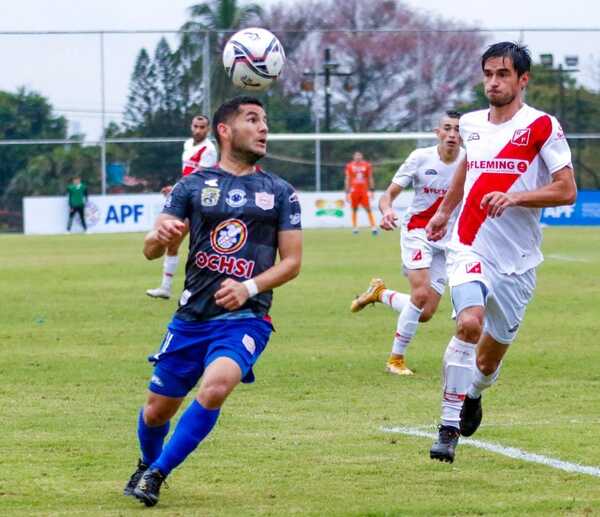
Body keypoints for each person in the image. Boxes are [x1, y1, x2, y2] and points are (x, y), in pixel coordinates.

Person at [124, 96, 302, 507]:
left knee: (217, 386)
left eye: (265, 122)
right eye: (252, 120)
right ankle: (148, 462)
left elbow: (291, 262)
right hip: (191, 318)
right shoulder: (190, 186)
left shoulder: (280, 192)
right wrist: (161, 235)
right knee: (155, 413)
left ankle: (157, 473)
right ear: (224, 130)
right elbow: (151, 249)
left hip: (245, 318)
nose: (263, 129)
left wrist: (250, 287)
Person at [425, 42, 576, 463]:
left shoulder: (542, 127)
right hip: (469, 243)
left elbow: (566, 189)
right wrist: (444, 211)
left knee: (488, 361)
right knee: (469, 324)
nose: (493, 81)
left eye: (503, 74)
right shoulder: (470, 123)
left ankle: (473, 392)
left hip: (518, 261)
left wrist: (515, 198)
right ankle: (448, 427)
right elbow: (467, 169)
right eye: (488, 73)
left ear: (522, 79)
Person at [350, 111, 464, 376]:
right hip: (417, 232)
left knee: (425, 313)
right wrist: (387, 211)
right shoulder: (420, 158)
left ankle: (380, 293)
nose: (452, 134)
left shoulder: (469, 162)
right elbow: (387, 195)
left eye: (457, 130)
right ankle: (395, 360)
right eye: (447, 128)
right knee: (420, 294)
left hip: (447, 242)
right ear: (437, 132)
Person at [146, 115, 218, 299]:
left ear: (208, 130)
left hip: (199, 201)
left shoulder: (209, 150)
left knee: (195, 245)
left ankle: (196, 289)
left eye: (202, 127)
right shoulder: (187, 145)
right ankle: (166, 287)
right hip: (186, 198)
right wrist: (176, 188)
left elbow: (199, 178)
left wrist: (178, 189)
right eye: (196, 126)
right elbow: (188, 174)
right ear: (191, 126)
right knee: (173, 242)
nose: (198, 130)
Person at [344, 151, 378, 235]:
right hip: (354, 191)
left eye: (359, 155)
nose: (358, 157)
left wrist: (372, 190)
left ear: (362, 156)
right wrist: (347, 192)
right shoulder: (349, 166)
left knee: (368, 209)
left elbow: (370, 177)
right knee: (354, 209)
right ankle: (355, 227)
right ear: (353, 157)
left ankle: (373, 227)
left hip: (364, 191)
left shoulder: (367, 165)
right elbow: (347, 179)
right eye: (356, 155)